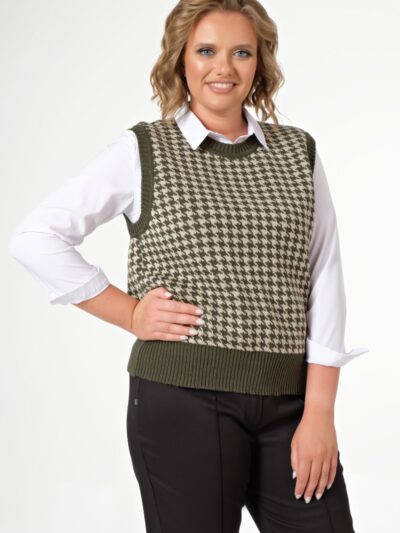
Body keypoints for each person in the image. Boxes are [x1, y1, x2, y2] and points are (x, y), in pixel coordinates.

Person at [9, 1, 369, 531]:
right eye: (206, 51)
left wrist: (319, 411)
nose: (223, 67)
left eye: (241, 52)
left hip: (289, 406)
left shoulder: (299, 153)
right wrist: (130, 314)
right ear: (181, 60)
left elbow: (324, 278)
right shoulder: (143, 150)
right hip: (181, 402)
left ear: (259, 63)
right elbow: (37, 238)